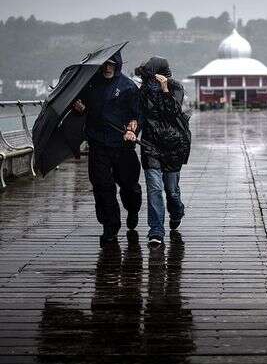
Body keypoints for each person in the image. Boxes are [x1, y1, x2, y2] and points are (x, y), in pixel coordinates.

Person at [72, 50, 142, 247]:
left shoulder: (128, 86)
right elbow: (83, 111)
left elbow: (136, 114)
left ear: (117, 64)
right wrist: (78, 110)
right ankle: (110, 227)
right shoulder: (90, 86)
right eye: (105, 64)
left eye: (112, 63)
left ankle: (133, 209)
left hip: (122, 145)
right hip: (98, 144)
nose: (108, 67)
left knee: (129, 186)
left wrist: (131, 129)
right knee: (102, 187)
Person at [135, 56, 191, 247]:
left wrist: (165, 89)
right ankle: (156, 230)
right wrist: (131, 130)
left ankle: (177, 212)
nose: (150, 80)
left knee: (172, 191)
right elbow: (140, 116)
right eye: (147, 77)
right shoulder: (143, 91)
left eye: (152, 76)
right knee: (154, 188)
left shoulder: (176, 88)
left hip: (173, 145)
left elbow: (173, 112)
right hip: (150, 145)